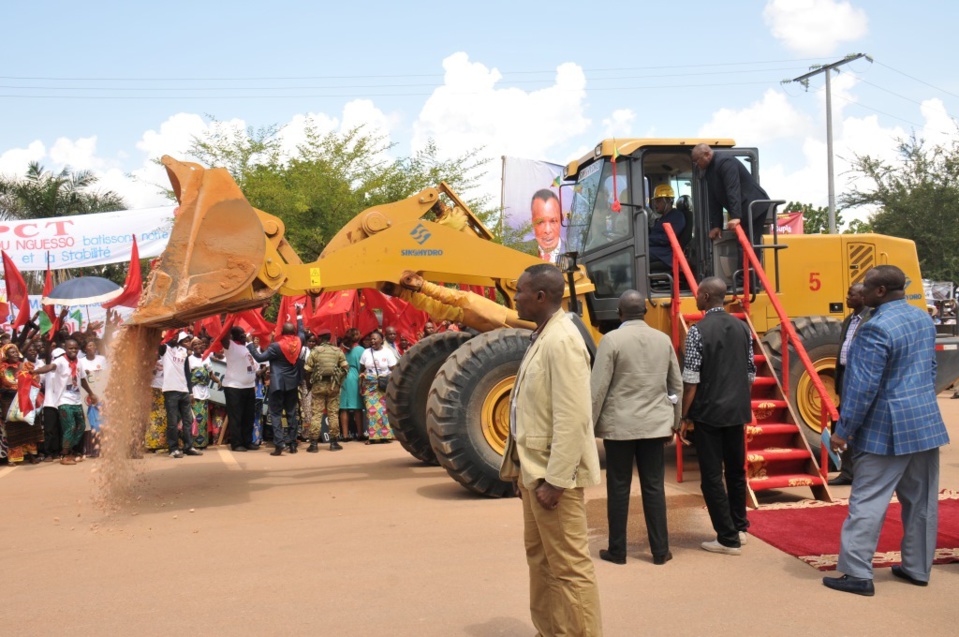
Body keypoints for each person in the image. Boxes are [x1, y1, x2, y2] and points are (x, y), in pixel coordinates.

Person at [823, 265, 951, 596]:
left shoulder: (874, 328)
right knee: (921, 502)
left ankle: (857, 573)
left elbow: (863, 387)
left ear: (880, 292)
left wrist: (843, 430)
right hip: (924, 423)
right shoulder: (922, 318)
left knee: (868, 500)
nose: (860, 292)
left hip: (884, 430)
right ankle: (917, 568)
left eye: (865, 287)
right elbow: (931, 369)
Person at [499, 263, 603, 636]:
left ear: (540, 296)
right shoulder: (544, 334)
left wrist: (556, 481)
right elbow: (530, 410)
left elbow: (573, 418)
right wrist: (520, 471)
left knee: (570, 570)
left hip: (552, 479)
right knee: (541, 562)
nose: (515, 298)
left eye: (520, 291)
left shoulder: (562, 340)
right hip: (534, 473)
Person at [591, 290, 682, 566]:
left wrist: (588, 426)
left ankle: (617, 551)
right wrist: (674, 423)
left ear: (619, 313)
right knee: (654, 487)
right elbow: (675, 385)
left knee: (618, 487)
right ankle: (660, 551)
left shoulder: (611, 340)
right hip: (655, 426)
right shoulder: (663, 340)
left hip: (619, 427)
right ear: (644, 311)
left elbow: (598, 389)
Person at [679, 277, 755, 555]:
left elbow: (691, 380)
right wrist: (738, 399)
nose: (695, 298)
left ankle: (726, 538)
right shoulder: (743, 327)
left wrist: (684, 417)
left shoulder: (698, 331)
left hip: (709, 412)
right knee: (736, 471)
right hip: (736, 411)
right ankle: (740, 527)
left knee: (711, 476)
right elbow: (749, 374)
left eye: (698, 294)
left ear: (707, 296)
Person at [829, 283, 872, 486]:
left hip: (861, 376)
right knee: (845, 422)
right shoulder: (848, 320)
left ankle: (864, 474)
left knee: (860, 423)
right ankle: (847, 473)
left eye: (851, 294)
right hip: (846, 375)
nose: (847, 297)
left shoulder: (872, 319)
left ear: (863, 297)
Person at [691, 143, 771, 249]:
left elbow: (733, 189)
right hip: (743, 209)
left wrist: (736, 216)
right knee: (741, 243)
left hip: (754, 207)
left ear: (707, 155)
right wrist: (716, 225)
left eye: (697, 160)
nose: (696, 164)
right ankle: (743, 265)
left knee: (747, 243)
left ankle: (750, 265)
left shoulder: (725, 162)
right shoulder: (709, 171)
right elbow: (714, 200)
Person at [31, 339, 95, 465]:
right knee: (70, 427)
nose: (73, 351)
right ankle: (64, 455)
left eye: (75, 348)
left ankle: (69, 449)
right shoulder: (60, 361)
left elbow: (82, 380)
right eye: (70, 348)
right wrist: (36, 371)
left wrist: (91, 393)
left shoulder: (79, 363)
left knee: (81, 427)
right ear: (66, 349)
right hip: (63, 400)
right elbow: (50, 367)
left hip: (76, 400)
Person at [249, 323, 304, 456]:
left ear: (282, 332)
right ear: (293, 332)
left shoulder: (276, 346)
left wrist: (249, 344)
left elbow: (259, 358)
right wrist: (299, 316)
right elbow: (301, 332)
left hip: (278, 384)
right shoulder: (299, 342)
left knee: (275, 414)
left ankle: (279, 444)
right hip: (292, 383)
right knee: (291, 413)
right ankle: (292, 444)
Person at [304, 330, 348, 452]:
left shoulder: (315, 351)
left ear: (319, 339)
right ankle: (334, 443)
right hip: (333, 386)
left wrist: (309, 385)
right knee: (333, 414)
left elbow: (307, 370)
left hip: (318, 386)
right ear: (330, 338)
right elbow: (345, 368)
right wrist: (338, 380)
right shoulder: (337, 351)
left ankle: (313, 444)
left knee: (317, 414)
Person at [160, 332, 202, 459]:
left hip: (183, 390)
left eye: (176, 335)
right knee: (172, 421)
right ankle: (173, 449)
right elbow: (159, 342)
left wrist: (190, 392)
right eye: (171, 335)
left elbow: (187, 373)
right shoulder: (164, 349)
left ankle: (189, 446)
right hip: (170, 390)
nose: (173, 337)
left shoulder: (183, 351)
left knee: (188, 420)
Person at [222, 326, 260, 452]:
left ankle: (247, 441)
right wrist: (230, 319)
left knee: (248, 417)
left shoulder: (246, 347)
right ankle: (237, 443)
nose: (244, 335)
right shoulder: (230, 346)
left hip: (249, 387)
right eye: (241, 334)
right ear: (232, 336)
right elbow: (223, 336)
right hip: (234, 387)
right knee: (236, 417)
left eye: (244, 333)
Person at [358, 330, 398, 443]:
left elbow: (393, 369)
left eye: (375, 339)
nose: (372, 341)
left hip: (383, 385)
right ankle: (373, 437)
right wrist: (362, 376)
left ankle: (385, 436)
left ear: (382, 340)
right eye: (371, 339)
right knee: (371, 410)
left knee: (384, 411)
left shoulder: (388, 352)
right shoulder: (366, 352)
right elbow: (361, 368)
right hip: (369, 385)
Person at [648, 184, 687, 268]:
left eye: (658, 201)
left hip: (666, 253)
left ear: (669, 200)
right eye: (655, 201)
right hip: (658, 249)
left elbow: (667, 239)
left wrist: (647, 240)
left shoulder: (677, 217)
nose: (655, 204)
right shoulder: (663, 218)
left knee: (639, 253)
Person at [188, 338, 216, 448]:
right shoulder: (189, 360)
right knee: (195, 418)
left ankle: (202, 443)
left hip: (204, 391)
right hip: (194, 392)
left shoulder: (206, 358)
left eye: (200, 343)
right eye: (195, 344)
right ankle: (193, 443)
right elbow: (187, 377)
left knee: (203, 418)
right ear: (192, 347)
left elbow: (211, 374)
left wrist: (218, 381)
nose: (198, 346)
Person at [339, 328, 365, 441]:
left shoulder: (342, 349)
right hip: (355, 377)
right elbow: (362, 367)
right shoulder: (361, 350)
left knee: (344, 407)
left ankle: (345, 435)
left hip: (343, 378)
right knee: (357, 407)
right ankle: (360, 433)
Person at [530, 189, 564, 263]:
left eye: (553, 221)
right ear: (532, 223)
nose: (547, 230)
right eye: (541, 222)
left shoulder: (575, 253)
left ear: (561, 220)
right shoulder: (521, 253)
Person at [144, 348, 167, 451]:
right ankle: (152, 443)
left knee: (163, 417)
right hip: (153, 390)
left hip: (164, 390)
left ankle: (162, 443)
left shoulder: (166, 360)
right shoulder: (149, 362)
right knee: (153, 417)